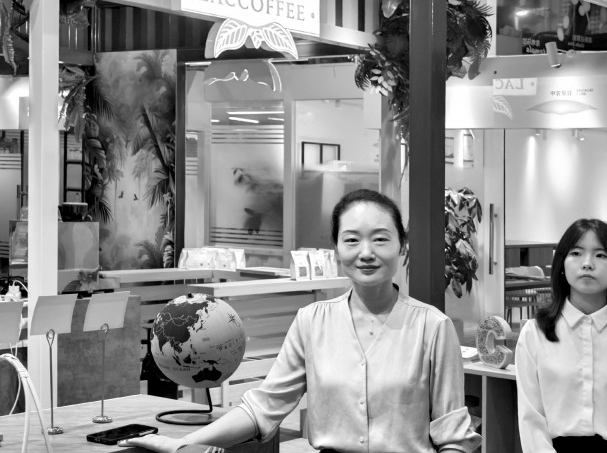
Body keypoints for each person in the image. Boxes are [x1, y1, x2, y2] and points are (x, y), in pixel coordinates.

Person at [123, 189, 480, 453]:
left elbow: (453, 439)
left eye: (380, 239)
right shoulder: (312, 322)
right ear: (337, 249)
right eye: (352, 240)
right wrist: (184, 442)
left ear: (402, 246)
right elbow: (264, 407)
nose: (366, 253)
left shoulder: (433, 327)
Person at [515, 218, 607, 453]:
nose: (587, 264)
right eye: (576, 253)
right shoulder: (534, 334)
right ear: (562, 264)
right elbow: (530, 419)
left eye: (600, 255)